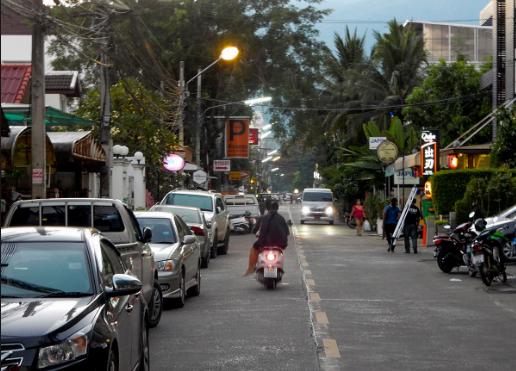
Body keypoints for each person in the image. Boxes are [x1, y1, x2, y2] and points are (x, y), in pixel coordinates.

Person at [243, 201, 290, 276]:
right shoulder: (281, 218)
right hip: (280, 243)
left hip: (264, 242)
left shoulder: (263, 218)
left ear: (267, 209)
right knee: (281, 252)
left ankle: (251, 268)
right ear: (277, 208)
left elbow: (255, 230)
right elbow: (287, 232)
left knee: (254, 247)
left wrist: (256, 232)